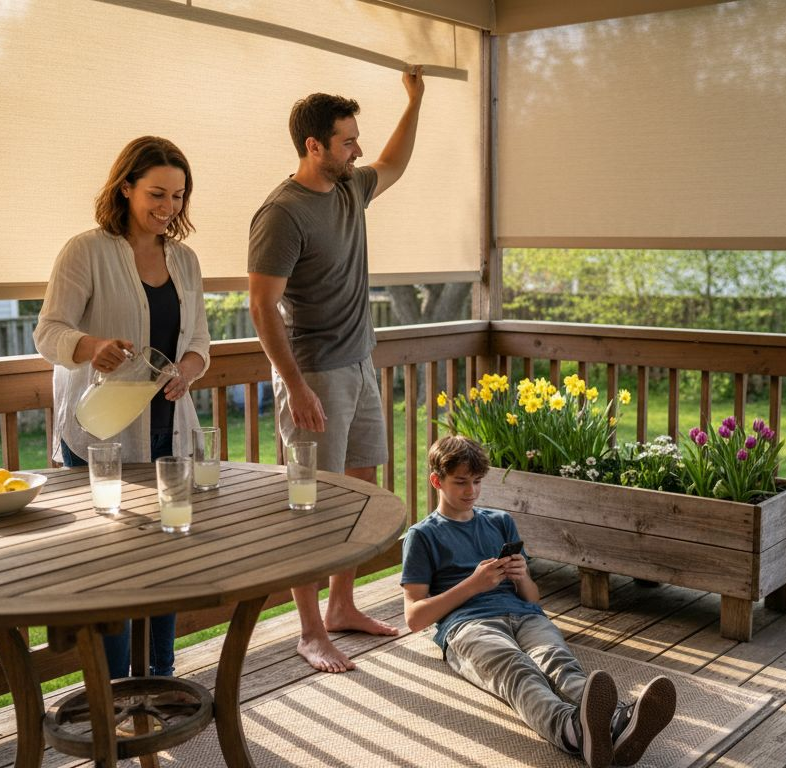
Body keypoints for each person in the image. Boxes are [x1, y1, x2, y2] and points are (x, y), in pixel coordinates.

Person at [247, 66, 425, 673]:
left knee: (361, 492)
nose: (359, 149)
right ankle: (309, 629)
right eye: (347, 140)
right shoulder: (282, 214)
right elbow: (261, 305)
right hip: (314, 374)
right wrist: (293, 385)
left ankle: (343, 606)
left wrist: (416, 98)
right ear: (313, 146)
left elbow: (396, 163)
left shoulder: (350, 186)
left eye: (356, 138)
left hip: (360, 363)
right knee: (312, 500)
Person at [34, 135, 211, 679]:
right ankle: (111, 689)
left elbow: (200, 344)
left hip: (168, 432)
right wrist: (92, 348)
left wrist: (186, 371)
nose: (168, 208)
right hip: (101, 433)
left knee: (169, 558)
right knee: (108, 565)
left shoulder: (184, 260)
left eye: (178, 197)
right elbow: (48, 333)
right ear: (126, 187)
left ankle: (158, 677)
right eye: (157, 194)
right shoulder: (85, 250)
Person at [401, 436, 678, 768]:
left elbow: (533, 598)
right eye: (461, 482)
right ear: (437, 481)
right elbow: (414, 617)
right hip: (468, 624)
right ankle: (574, 730)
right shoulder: (423, 535)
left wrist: (520, 576)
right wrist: (473, 585)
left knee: (558, 661)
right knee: (517, 669)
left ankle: (617, 723)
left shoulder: (499, 522)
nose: (471, 491)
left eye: (477, 482)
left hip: (524, 615)